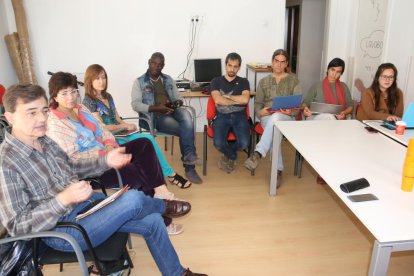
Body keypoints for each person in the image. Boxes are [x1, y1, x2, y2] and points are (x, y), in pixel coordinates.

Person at [0, 84, 206, 276]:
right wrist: (62, 199)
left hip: (86, 207)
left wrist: (105, 160)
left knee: (152, 221)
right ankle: (163, 205)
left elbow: (72, 167)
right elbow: (18, 227)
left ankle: (177, 273)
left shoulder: (45, 141)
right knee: (133, 199)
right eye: (31, 112)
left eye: (44, 110)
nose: (42, 119)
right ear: (10, 117)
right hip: (63, 231)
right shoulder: (7, 164)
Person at [46, 72, 184, 235]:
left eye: (74, 91)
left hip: (108, 152)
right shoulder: (55, 124)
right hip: (93, 167)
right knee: (135, 172)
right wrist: (104, 154)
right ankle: (162, 221)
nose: (71, 97)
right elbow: (73, 160)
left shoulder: (80, 108)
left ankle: (161, 191)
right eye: (64, 93)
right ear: (54, 96)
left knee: (144, 144)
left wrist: (110, 145)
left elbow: (103, 129)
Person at [82, 64, 191, 189]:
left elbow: (117, 119)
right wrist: (123, 126)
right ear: (89, 81)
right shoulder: (88, 101)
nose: (101, 81)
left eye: (103, 77)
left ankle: (160, 177)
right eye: (97, 78)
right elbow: (101, 128)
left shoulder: (108, 96)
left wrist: (127, 126)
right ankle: (169, 175)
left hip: (121, 133)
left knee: (147, 139)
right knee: (148, 140)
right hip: (109, 141)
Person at [131, 52, 202, 184]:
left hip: (171, 110)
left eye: (159, 65)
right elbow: (135, 105)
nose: (156, 67)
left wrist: (175, 104)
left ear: (163, 66)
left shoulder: (168, 79)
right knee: (185, 129)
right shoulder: (140, 82)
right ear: (149, 62)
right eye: (154, 63)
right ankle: (189, 167)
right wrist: (158, 108)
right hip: (155, 116)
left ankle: (189, 156)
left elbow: (178, 98)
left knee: (187, 115)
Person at [243, 49, 302, 187]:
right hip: (267, 118)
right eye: (277, 61)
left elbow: (297, 105)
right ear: (272, 62)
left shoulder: (294, 81)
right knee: (274, 124)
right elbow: (257, 104)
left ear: (286, 63)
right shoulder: (263, 82)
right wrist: (260, 112)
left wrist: (290, 111)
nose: (279, 65)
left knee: (276, 118)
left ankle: (258, 153)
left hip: (287, 118)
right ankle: (277, 170)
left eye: (282, 62)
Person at [302, 57, 353, 184]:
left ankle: (327, 169)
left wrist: (343, 113)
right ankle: (325, 171)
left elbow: (350, 106)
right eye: (332, 70)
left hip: (335, 123)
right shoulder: (317, 85)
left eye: (338, 72)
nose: (334, 74)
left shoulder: (343, 87)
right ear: (328, 69)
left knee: (333, 123)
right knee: (329, 117)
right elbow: (305, 103)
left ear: (341, 73)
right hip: (315, 120)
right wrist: (306, 109)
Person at [210, 53, 250, 173]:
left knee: (244, 144)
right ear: (225, 65)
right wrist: (237, 100)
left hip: (240, 116)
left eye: (235, 66)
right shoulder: (216, 81)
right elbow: (217, 100)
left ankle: (227, 154)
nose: (232, 69)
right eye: (229, 65)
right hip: (221, 116)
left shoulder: (244, 81)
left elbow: (245, 100)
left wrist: (227, 97)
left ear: (239, 67)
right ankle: (232, 156)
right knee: (218, 143)